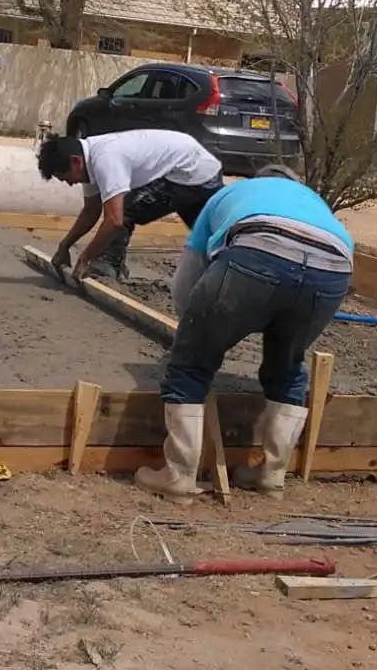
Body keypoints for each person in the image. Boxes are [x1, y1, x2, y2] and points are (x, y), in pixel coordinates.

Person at [134, 174, 354, 497]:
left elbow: (186, 288)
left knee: (191, 363)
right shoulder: (313, 201)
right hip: (334, 266)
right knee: (287, 366)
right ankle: (271, 477)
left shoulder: (229, 194)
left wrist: (198, 332)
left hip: (258, 246)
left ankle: (178, 476)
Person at [37, 129, 223, 282]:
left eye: (67, 177)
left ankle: (108, 266)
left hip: (192, 171)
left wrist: (85, 259)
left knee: (124, 209)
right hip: (193, 167)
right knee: (209, 234)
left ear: (75, 161)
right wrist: (64, 246)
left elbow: (114, 220)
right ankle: (222, 273)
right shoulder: (88, 160)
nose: (70, 183)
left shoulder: (105, 159)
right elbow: (90, 212)